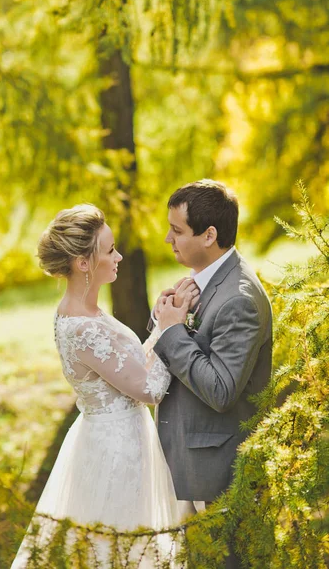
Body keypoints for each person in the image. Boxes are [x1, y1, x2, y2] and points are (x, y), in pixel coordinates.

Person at [10, 204, 198, 568]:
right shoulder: (83, 327)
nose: (119, 256)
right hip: (117, 451)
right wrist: (173, 329)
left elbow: (125, 368)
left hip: (114, 436)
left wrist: (161, 323)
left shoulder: (85, 310)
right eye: (110, 250)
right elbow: (149, 389)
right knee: (120, 547)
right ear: (83, 263)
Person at [149, 179, 273, 568]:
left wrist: (172, 331)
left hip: (220, 473)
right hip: (191, 463)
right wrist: (165, 318)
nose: (168, 238)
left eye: (177, 230)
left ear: (209, 235)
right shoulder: (204, 284)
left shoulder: (237, 299)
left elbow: (221, 389)